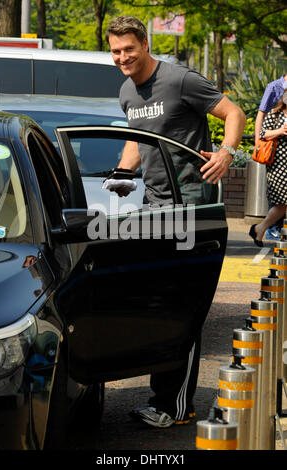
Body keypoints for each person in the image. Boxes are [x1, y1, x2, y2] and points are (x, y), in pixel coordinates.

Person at [105, 16, 246, 428]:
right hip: (154, 207)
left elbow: (233, 112)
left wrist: (226, 152)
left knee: (182, 305)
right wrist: (122, 173)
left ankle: (175, 406)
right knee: (157, 302)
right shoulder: (127, 91)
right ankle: (164, 398)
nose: (122, 58)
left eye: (129, 49)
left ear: (145, 44)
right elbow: (137, 138)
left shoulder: (180, 79)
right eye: (115, 51)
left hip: (190, 210)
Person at [249, 89, 287, 247]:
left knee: (283, 204)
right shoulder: (275, 114)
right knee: (281, 202)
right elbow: (263, 134)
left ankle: (260, 228)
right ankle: (261, 228)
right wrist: (280, 131)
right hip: (279, 164)